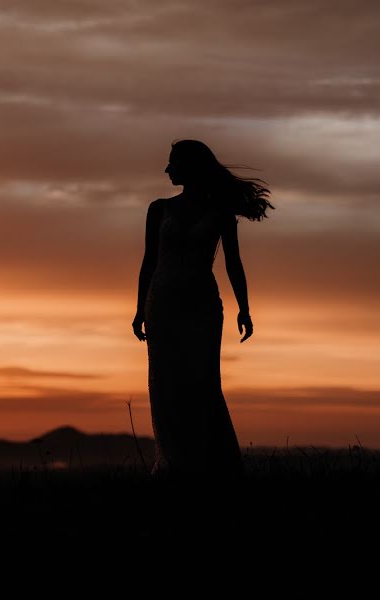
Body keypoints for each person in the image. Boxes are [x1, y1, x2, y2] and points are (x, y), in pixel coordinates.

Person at [132, 139, 273, 478]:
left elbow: (233, 264)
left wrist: (245, 309)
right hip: (162, 305)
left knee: (203, 383)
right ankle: (175, 464)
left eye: (173, 163)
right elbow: (149, 262)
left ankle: (212, 466)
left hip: (202, 307)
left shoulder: (220, 212)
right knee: (167, 386)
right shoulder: (158, 209)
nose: (167, 169)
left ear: (190, 167)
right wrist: (139, 310)